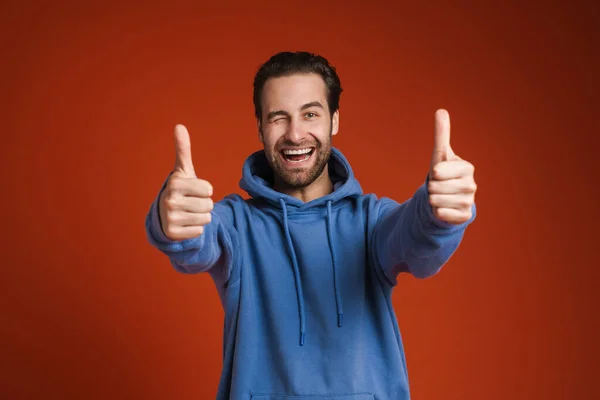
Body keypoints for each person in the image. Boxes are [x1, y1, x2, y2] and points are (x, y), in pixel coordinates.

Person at [145, 51, 477, 400]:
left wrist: (439, 212)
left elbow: (418, 239)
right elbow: (197, 241)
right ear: (259, 126)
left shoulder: (371, 222)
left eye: (310, 114)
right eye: (278, 118)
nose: (295, 133)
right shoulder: (236, 225)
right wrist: (174, 219)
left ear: (333, 121)